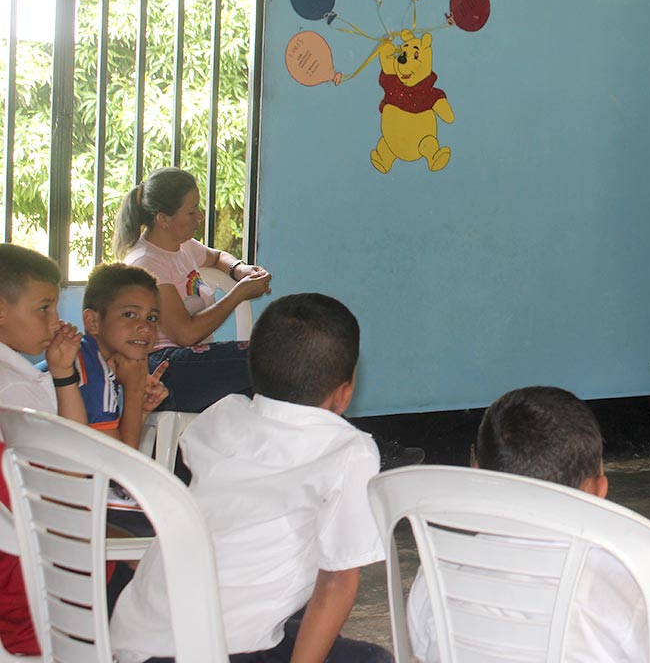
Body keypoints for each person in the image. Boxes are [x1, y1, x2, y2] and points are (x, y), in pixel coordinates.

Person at [110, 293, 391, 663]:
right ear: (345, 390)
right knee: (372, 659)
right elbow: (337, 584)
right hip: (213, 650)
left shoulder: (220, 415)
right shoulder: (349, 451)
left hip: (135, 636)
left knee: (299, 624)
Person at [406, 386, 650, 663]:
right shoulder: (627, 581)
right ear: (596, 491)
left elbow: (421, 654)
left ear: (477, 476)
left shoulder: (437, 567)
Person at [113, 167, 272, 412]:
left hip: (190, 361)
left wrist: (239, 269)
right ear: (163, 219)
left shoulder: (184, 246)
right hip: (163, 370)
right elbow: (185, 335)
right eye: (191, 211)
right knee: (271, 358)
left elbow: (217, 257)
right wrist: (239, 293)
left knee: (273, 375)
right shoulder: (146, 262)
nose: (199, 217)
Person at [0, 243, 88, 656]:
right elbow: (74, 468)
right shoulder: (13, 386)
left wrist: (60, 373)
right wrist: (63, 376)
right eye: (44, 308)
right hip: (36, 569)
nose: (56, 321)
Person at [36, 263, 169, 448]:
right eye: (129, 314)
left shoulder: (85, 356)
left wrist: (142, 409)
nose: (144, 327)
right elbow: (119, 463)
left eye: (151, 318)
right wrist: (134, 391)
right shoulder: (96, 375)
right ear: (93, 321)